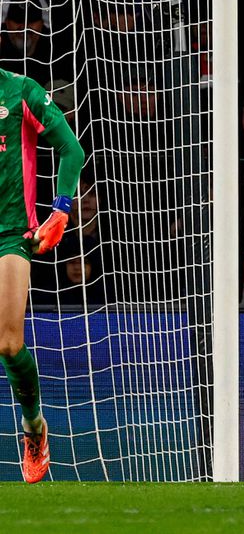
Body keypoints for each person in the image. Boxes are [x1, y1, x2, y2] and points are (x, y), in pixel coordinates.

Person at [0, 65, 85, 483]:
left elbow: (72, 150)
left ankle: (34, 428)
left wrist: (61, 210)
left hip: (12, 233)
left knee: (9, 343)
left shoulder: (21, 91)